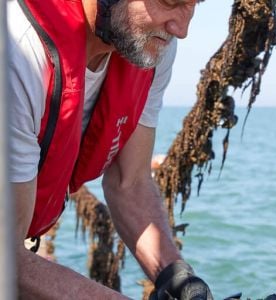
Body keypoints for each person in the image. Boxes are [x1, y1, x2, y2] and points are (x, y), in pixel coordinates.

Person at [7, 0, 213, 298]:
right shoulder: (18, 52)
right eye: (170, 2)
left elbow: (128, 182)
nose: (181, 30)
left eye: (193, 5)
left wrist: (176, 276)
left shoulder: (151, 45)